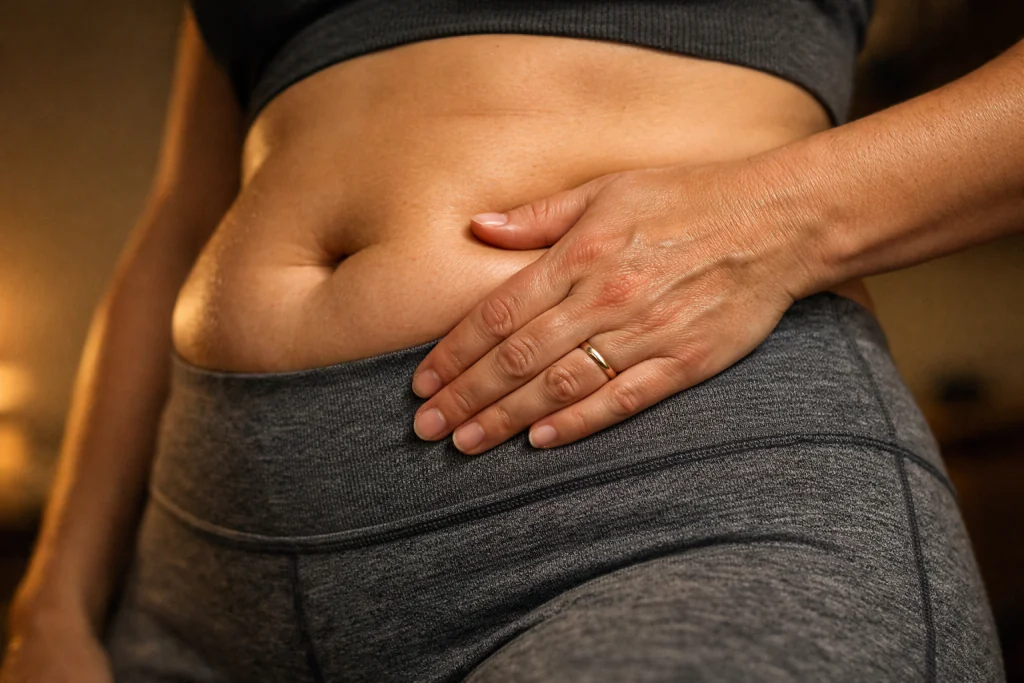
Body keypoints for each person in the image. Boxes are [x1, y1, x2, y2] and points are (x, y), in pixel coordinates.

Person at [2, 0, 1018, 680]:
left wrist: (777, 219)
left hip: (658, 520)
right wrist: (52, 602)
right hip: (195, 587)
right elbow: (183, 219)